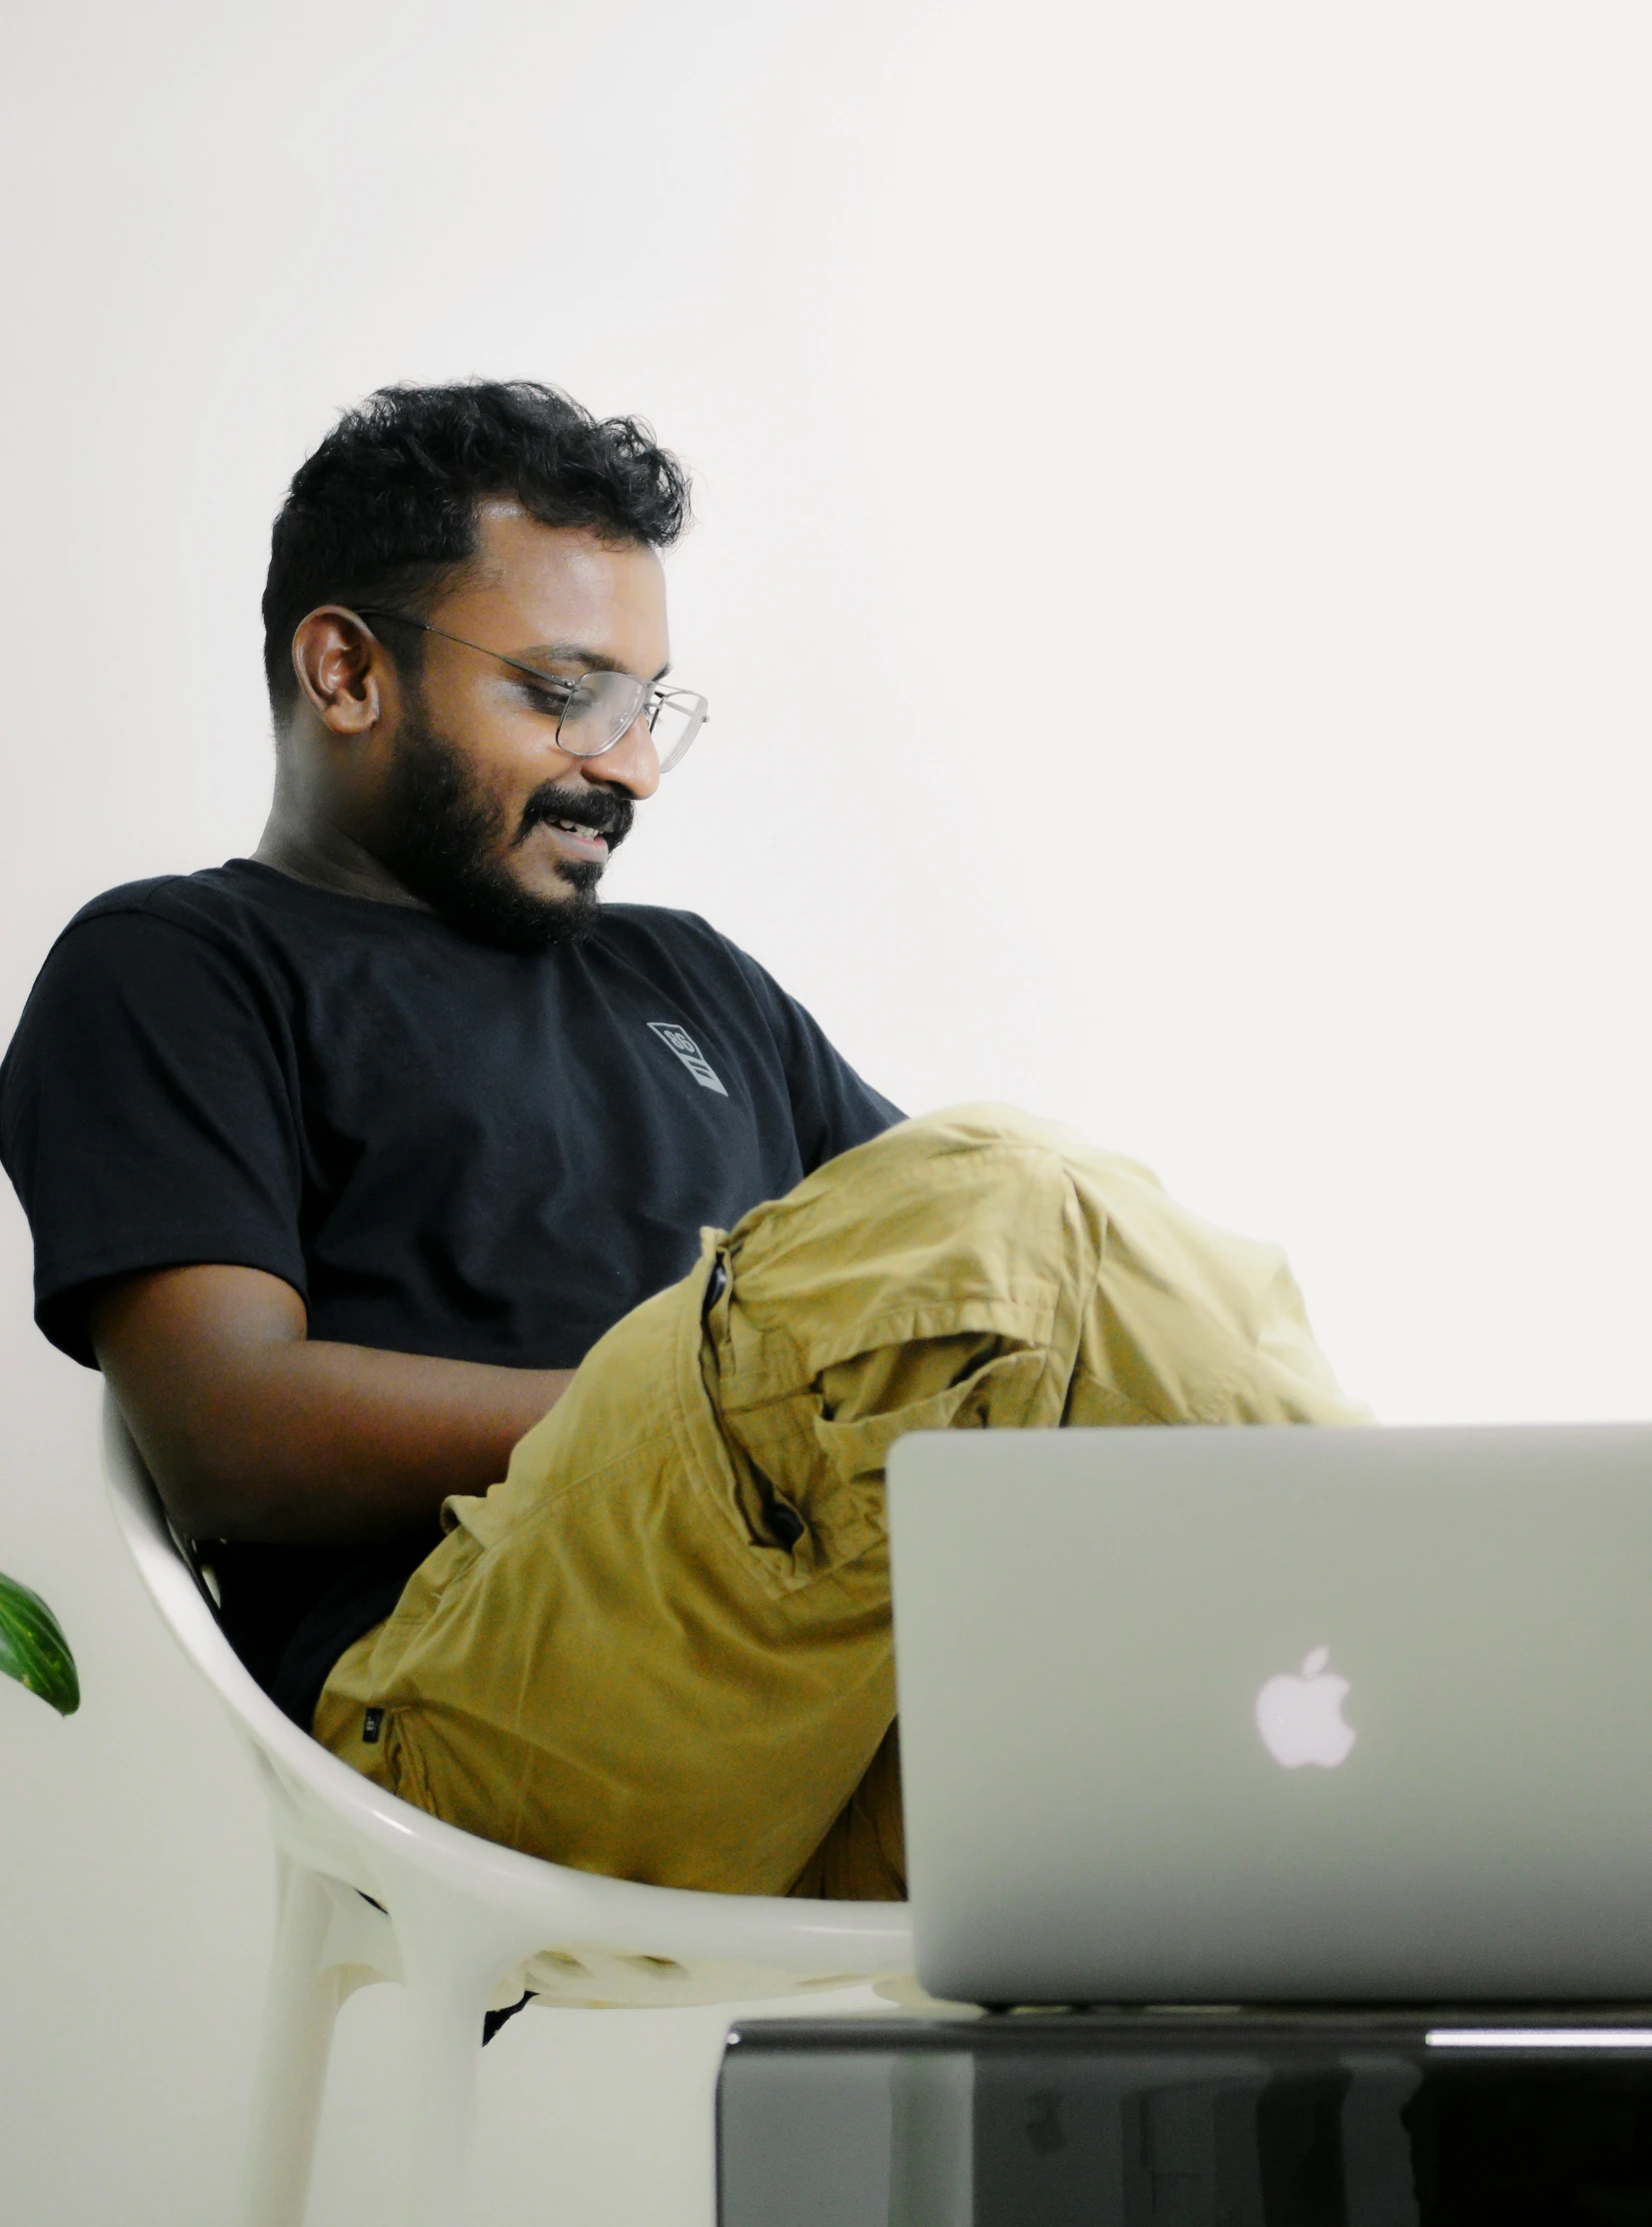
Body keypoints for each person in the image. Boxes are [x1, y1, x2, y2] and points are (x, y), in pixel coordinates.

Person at [0, 380, 1365, 1906]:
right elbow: (226, 1433)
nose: (631, 768)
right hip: (460, 1713)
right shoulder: (176, 963)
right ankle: (1403, 1621)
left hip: (811, 1712)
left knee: (1270, 1805)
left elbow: (1015, 1311)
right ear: (345, 673)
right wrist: (682, 1409)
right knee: (1015, 1197)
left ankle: (1415, 1662)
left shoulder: (687, 975)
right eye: (565, 695)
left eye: (649, 708)